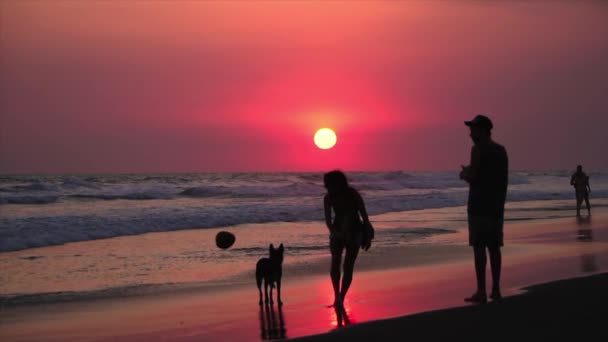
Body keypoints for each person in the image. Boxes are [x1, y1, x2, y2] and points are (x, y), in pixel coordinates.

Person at [459, 115, 508, 303]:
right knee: (494, 248)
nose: (470, 133)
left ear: (481, 131)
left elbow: (474, 177)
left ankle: (481, 290)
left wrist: (465, 173)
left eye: (473, 129)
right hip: (496, 206)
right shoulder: (501, 150)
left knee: (479, 247)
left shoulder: (477, 149)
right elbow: (500, 178)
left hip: (479, 206)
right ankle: (495, 289)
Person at [323, 170, 372, 307]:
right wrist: (335, 233)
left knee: (348, 266)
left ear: (337, 183)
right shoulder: (328, 198)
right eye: (326, 185)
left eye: (328, 184)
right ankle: (336, 296)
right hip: (337, 231)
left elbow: (365, 217)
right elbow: (328, 221)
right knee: (335, 263)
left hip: (355, 231)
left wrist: (368, 234)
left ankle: (342, 297)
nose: (326, 187)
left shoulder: (353, 194)